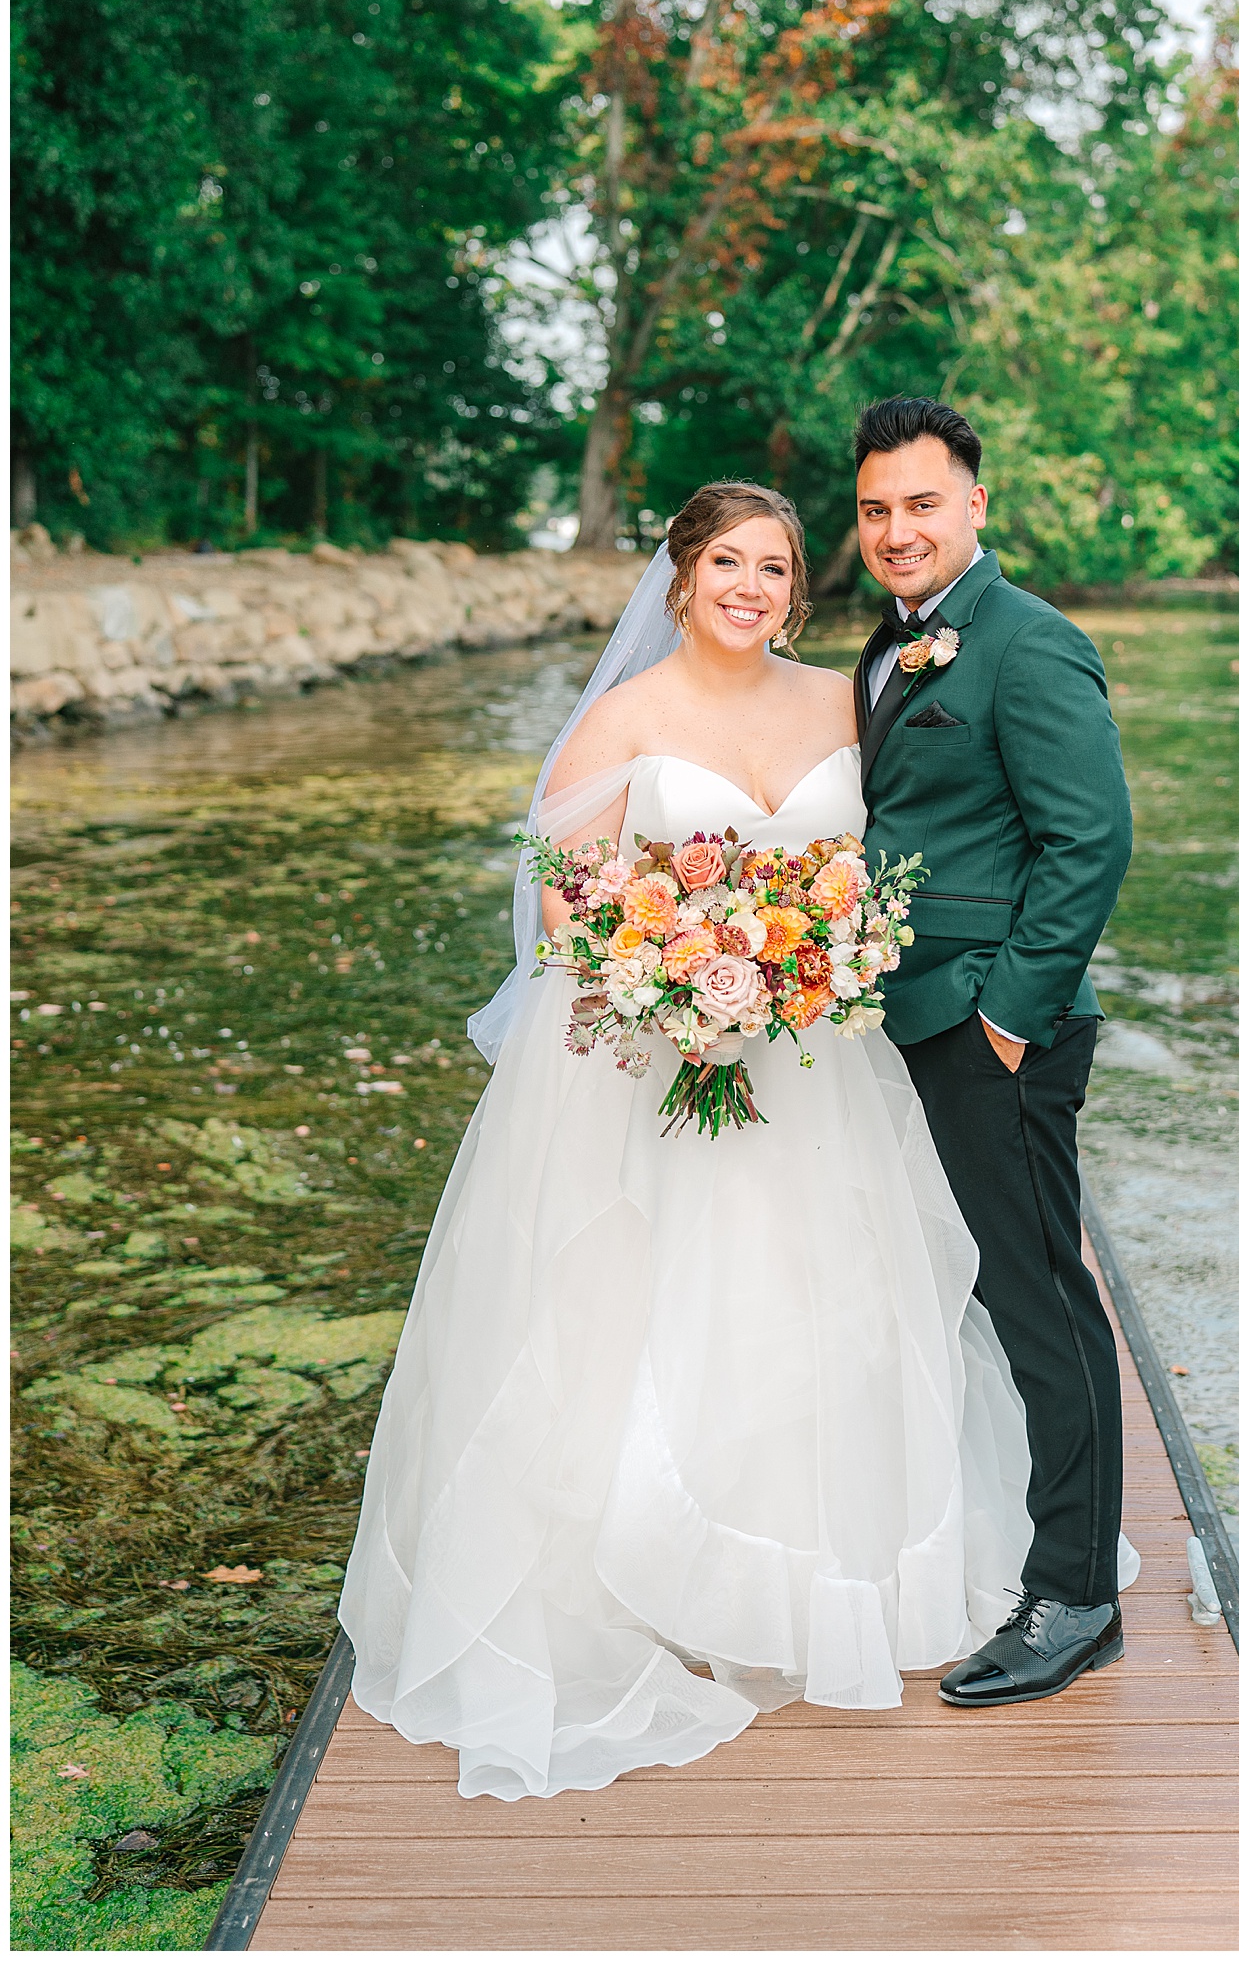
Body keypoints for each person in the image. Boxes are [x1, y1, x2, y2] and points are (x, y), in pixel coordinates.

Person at [339, 479, 1088, 1801]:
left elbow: (888, 855)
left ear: (797, 591)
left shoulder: (843, 699)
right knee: (674, 1301)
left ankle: (829, 1571)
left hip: (821, 1056)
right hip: (670, 1063)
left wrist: (818, 963)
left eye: (775, 566)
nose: (751, 586)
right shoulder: (625, 718)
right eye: (729, 562)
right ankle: (661, 1571)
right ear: (682, 576)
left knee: (837, 1299)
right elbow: (566, 901)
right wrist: (669, 988)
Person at [852, 396, 1134, 1706]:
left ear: (975, 502)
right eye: (876, 510)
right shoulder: (889, 645)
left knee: (1040, 1304)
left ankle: (1075, 1597)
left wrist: (1010, 1017)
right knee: (977, 1294)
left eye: (922, 503)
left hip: (993, 1029)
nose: (897, 530)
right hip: (908, 1017)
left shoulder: (1030, 642)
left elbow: (1091, 840)